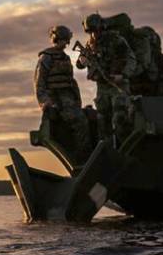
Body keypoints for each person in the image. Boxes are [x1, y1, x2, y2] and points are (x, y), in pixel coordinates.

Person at [76, 13, 137, 144]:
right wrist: (82, 61)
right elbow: (80, 64)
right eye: (90, 32)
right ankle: (107, 151)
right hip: (102, 87)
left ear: (102, 28)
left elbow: (131, 59)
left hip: (118, 85)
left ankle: (126, 149)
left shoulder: (116, 40)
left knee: (120, 119)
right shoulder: (90, 44)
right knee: (102, 121)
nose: (93, 35)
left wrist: (123, 75)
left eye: (95, 31)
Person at [34, 25, 91, 163]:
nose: (67, 43)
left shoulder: (64, 57)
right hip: (57, 100)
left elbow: (70, 80)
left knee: (86, 117)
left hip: (69, 99)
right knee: (80, 123)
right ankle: (82, 158)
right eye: (65, 40)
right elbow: (39, 82)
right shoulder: (46, 57)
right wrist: (45, 102)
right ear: (57, 39)